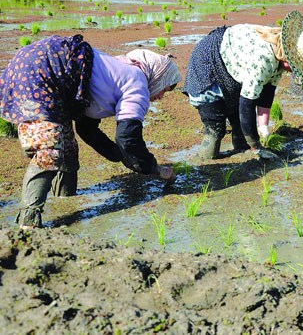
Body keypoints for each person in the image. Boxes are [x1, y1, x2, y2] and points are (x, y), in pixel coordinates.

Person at [0, 35, 182, 229]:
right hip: (41, 70)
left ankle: (65, 200)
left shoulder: (113, 74)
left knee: (67, 146)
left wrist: (119, 155)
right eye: (165, 88)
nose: (162, 96)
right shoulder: (137, 82)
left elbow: (87, 129)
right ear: (158, 76)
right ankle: (28, 220)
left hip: (39, 66)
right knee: (49, 149)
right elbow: (128, 138)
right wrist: (155, 169)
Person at [182, 10, 303, 160]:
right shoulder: (263, 61)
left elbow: (267, 92)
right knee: (215, 128)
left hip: (232, 67)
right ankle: (207, 165)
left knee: (239, 124)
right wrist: (257, 147)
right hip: (206, 64)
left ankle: (242, 148)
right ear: (288, 58)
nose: (296, 71)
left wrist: (263, 126)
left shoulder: (280, 54)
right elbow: (247, 104)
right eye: (297, 66)